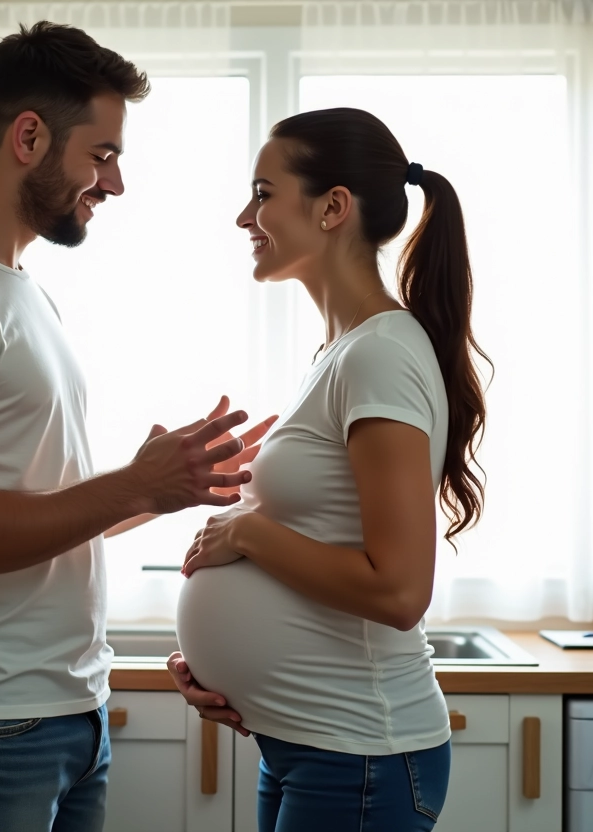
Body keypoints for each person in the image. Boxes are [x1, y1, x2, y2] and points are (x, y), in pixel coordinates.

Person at [0, 22, 272, 832]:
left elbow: (36, 510)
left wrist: (172, 489)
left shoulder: (18, 292)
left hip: (58, 709)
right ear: (29, 136)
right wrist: (133, 480)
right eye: (103, 153)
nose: (113, 182)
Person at [169, 107, 490, 832]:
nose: (243, 216)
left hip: (362, 756)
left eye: (261, 193)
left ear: (332, 207)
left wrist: (249, 537)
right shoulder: (345, 354)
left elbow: (400, 589)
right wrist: (216, 663)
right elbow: (319, 556)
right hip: (311, 747)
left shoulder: (380, 353)